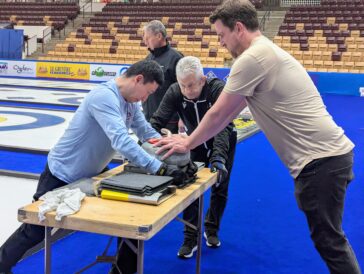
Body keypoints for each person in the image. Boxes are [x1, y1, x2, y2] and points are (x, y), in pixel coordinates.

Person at [155, 1, 361, 273]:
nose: (221, 42)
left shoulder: (253, 58)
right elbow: (229, 114)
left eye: (222, 35)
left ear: (238, 28)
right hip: (327, 159)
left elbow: (218, 115)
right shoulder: (264, 53)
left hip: (321, 161)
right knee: (329, 239)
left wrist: (187, 142)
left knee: (330, 242)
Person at [0, 60, 184, 274]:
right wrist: (159, 169)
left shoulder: (131, 102)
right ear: (138, 79)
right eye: (147, 93)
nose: (145, 99)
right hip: (62, 172)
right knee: (35, 229)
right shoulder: (104, 97)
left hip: (91, 175)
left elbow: (145, 131)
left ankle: (123, 269)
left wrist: (168, 149)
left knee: (127, 215)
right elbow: (121, 141)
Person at [150, 56, 237, 258]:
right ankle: (190, 237)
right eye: (183, 86)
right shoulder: (174, 91)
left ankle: (212, 229)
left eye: (191, 85)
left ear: (202, 80)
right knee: (191, 190)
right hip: (193, 142)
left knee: (220, 186)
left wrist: (218, 157)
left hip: (224, 140)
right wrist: (145, 145)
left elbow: (223, 125)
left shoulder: (216, 88)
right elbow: (156, 121)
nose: (187, 91)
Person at [143, 20, 183, 133]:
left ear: (159, 36)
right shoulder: (148, 59)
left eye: (147, 38)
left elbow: (184, 90)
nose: (145, 42)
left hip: (168, 122)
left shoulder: (176, 58)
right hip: (149, 119)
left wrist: (182, 118)